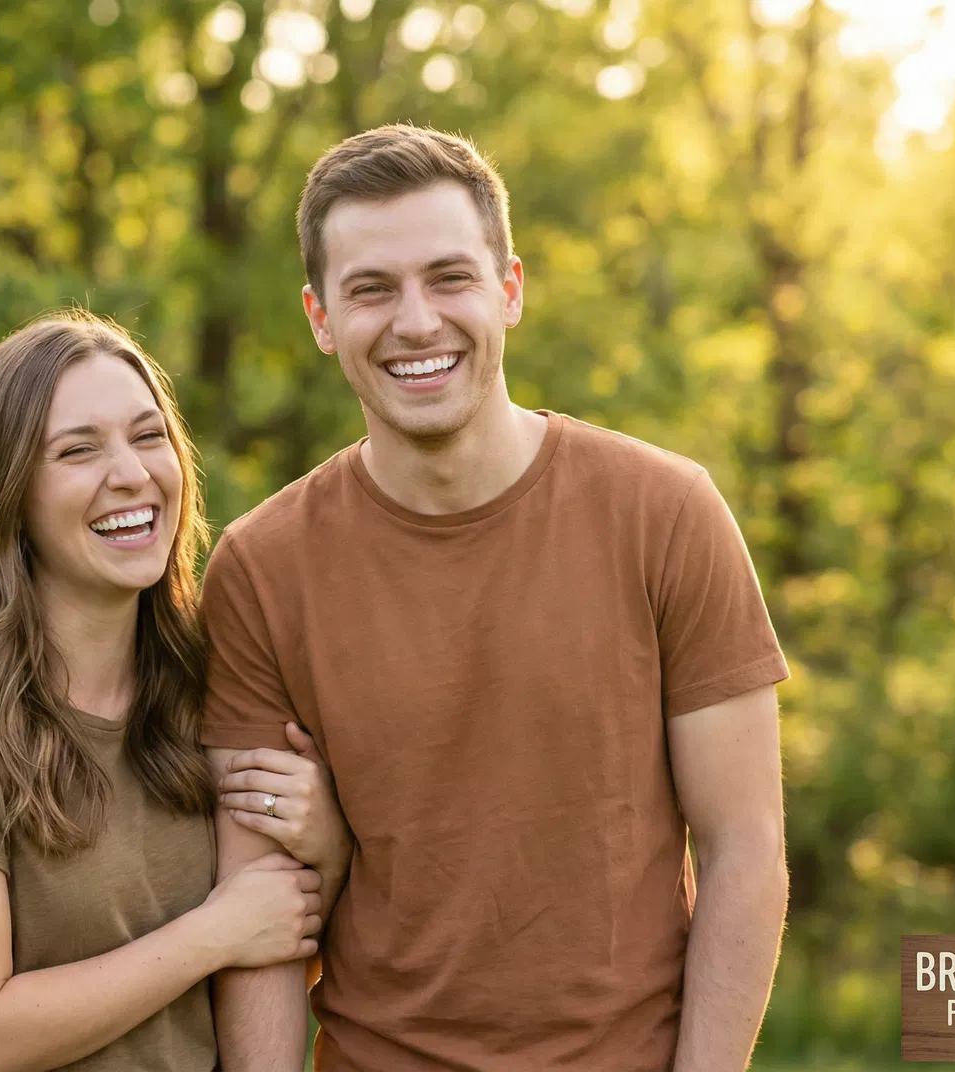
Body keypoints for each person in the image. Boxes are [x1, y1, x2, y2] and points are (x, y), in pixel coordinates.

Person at [199, 124, 791, 1071]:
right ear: (319, 318)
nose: (417, 321)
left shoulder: (666, 514)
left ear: (509, 290)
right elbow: (262, 907)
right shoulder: (260, 568)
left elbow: (745, 850)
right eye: (371, 290)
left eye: (450, 277)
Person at [0, 310, 351, 1072]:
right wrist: (212, 932)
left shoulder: (209, 688)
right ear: (8, 493)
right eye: (78, 450)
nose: (131, 473)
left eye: (149, 437)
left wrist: (330, 853)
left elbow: (274, 960)